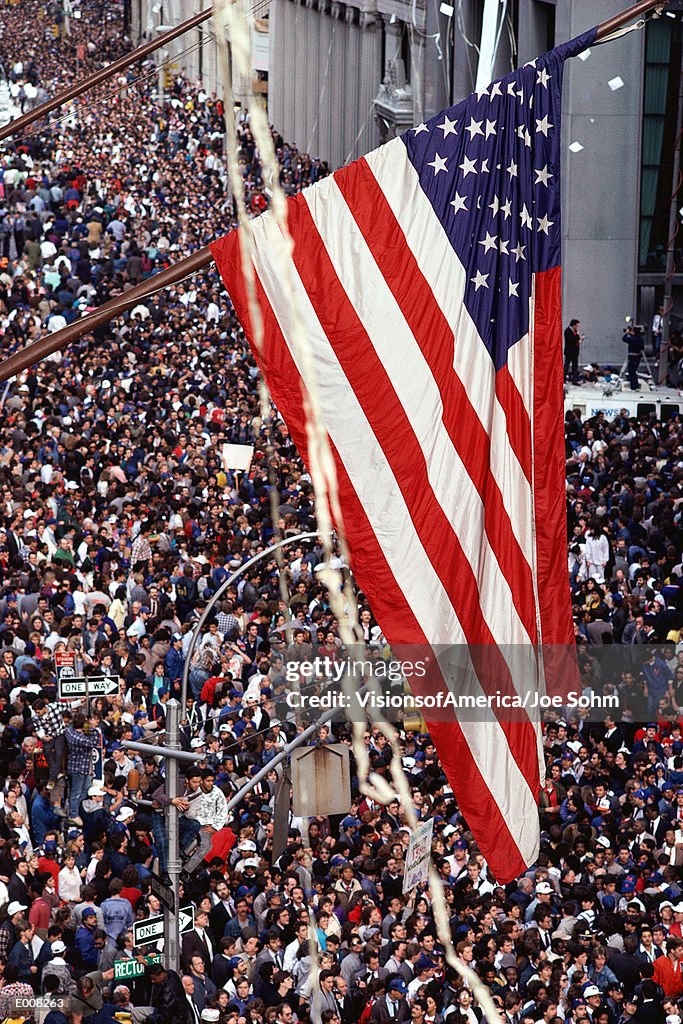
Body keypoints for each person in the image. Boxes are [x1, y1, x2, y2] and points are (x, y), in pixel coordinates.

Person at [622, 324, 645, 390]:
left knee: (631, 372)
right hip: (638, 357)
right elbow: (642, 348)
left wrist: (627, 333)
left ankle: (634, 386)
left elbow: (624, 339)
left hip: (632, 356)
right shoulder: (640, 339)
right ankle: (635, 385)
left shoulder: (632, 339)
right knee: (633, 371)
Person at [564, 319, 582, 383]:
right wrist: (578, 338)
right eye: (577, 326)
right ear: (573, 325)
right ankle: (564, 378)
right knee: (567, 365)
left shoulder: (575, 331)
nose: (577, 327)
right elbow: (571, 340)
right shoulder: (568, 331)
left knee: (575, 366)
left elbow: (577, 338)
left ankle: (575, 379)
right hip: (569, 351)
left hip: (575, 352)